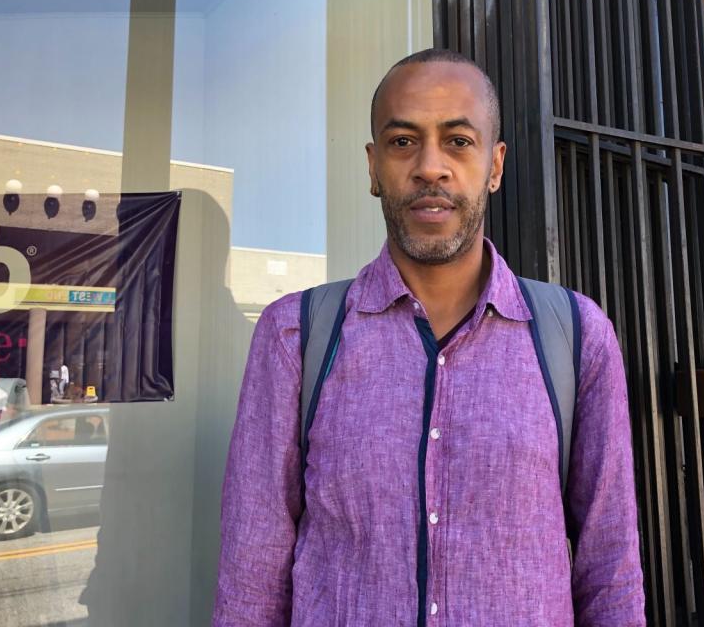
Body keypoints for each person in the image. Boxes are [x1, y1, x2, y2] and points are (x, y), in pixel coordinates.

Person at [214, 48, 645, 625]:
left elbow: (610, 563)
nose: (430, 167)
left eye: (458, 141)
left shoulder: (575, 336)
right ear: (373, 167)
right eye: (402, 142)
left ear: (494, 166)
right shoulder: (296, 335)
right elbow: (252, 569)